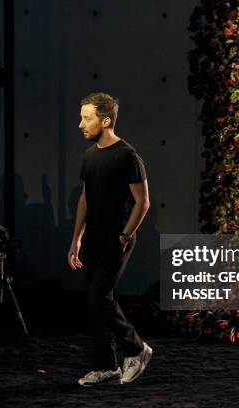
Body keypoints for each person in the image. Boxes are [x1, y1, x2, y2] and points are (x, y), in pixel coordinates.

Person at [68, 92, 152, 386]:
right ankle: (107, 366)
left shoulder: (128, 156)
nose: (80, 124)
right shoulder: (89, 156)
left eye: (86, 118)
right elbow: (85, 199)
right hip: (93, 237)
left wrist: (125, 236)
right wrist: (76, 239)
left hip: (117, 238)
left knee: (99, 297)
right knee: (94, 303)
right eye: (81, 117)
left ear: (105, 121)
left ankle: (137, 349)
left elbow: (143, 203)